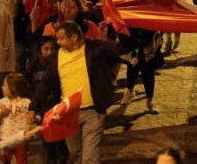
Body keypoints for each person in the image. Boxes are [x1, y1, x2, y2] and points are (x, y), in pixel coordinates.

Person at [30, 21, 132, 164]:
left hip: (93, 112)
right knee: (75, 153)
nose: (57, 42)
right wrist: (33, 108)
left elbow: (123, 47)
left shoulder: (95, 48)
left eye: (61, 38)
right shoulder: (56, 57)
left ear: (74, 37)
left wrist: (119, 26)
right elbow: (46, 84)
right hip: (69, 113)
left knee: (90, 158)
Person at [0, 74, 32, 164]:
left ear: (13, 88)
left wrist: (34, 119)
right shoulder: (1, 103)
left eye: (5, 85)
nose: (2, 87)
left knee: (22, 160)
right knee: (4, 160)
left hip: (21, 138)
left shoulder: (26, 102)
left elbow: (35, 116)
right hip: (5, 138)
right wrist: (0, 115)